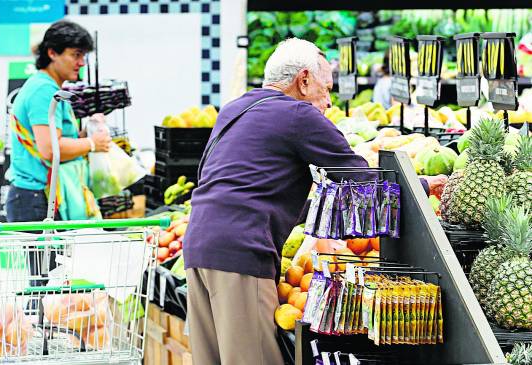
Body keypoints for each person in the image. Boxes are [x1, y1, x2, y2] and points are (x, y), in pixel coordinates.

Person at [183, 38, 446, 365]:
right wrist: (423, 184)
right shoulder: (298, 115)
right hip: (241, 253)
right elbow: (357, 178)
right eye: (326, 88)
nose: (329, 102)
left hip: (197, 247)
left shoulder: (235, 109)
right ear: (303, 80)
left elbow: (232, 177)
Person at [6, 20, 111, 287]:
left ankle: (48, 327)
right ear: (52, 53)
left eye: (83, 56)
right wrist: (92, 144)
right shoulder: (43, 90)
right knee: (47, 283)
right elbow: (49, 148)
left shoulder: (49, 88)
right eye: (75, 55)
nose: (81, 63)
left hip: (38, 196)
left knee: (51, 281)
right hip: (35, 198)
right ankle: (42, 328)